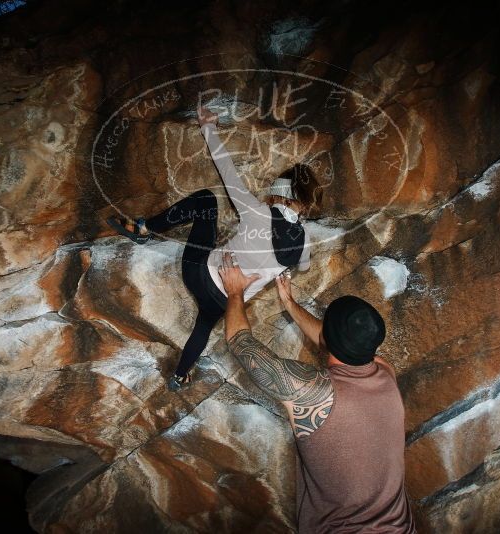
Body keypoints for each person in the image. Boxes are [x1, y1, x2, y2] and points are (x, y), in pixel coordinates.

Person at [108, 106, 317, 390]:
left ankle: (146, 230)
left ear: (280, 194)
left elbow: (227, 171)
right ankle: (180, 376)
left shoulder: (259, 213)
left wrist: (208, 126)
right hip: (226, 302)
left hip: (198, 272)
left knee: (206, 200)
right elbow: (303, 265)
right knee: (204, 326)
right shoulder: (303, 242)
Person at [216, 252, 416, 533]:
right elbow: (333, 340)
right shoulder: (385, 372)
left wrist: (235, 291)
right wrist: (289, 303)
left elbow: (241, 345)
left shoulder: (315, 392)